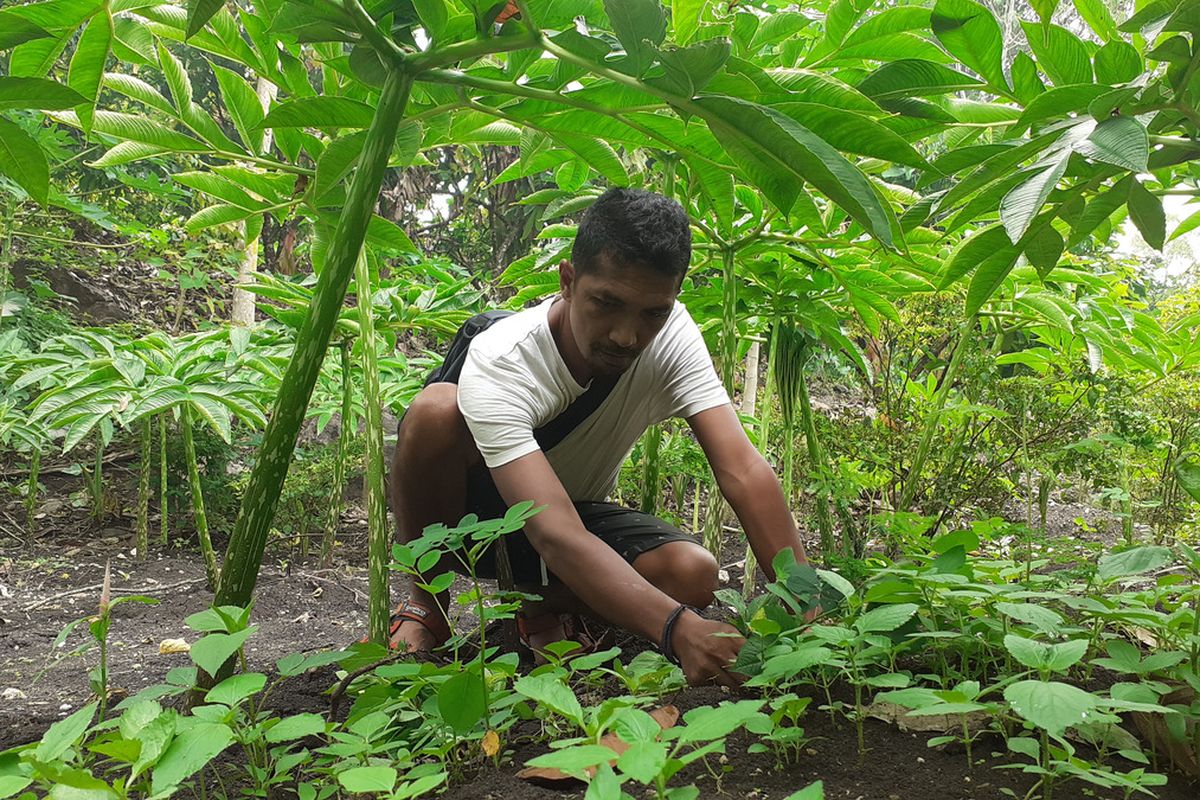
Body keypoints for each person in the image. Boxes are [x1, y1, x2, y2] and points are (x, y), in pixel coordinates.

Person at [386, 187, 811, 686]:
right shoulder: (505, 360)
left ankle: (541, 606)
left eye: (652, 312)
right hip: (473, 527)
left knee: (692, 573)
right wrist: (678, 630)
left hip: (569, 512)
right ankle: (425, 602)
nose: (627, 336)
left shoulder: (673, 335)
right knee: (434, 409)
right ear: (568, 280)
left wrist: (806, 597)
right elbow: (554, 532)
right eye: (607, 303)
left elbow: (742, 469)